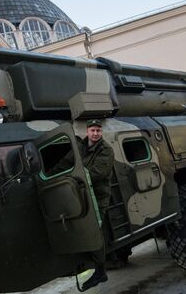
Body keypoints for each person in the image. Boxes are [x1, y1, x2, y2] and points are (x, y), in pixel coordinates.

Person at [78, 119, 114, 291]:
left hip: (98, 196)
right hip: (82, 194)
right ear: (87, 132)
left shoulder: (106, 150)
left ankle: (100, 271)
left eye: (98, 130)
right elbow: (67, 161)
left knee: (94, 230)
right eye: (92, 130)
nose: (95, 133)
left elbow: (97, 173)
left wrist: (71, 179)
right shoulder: (80, 147)